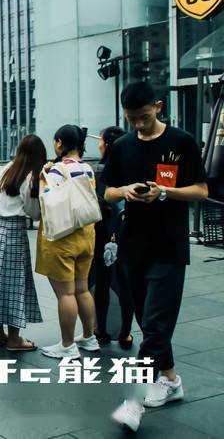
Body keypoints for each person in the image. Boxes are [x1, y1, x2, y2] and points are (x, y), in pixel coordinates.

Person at [106, 83, 207, 432]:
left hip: (169, 245)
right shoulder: (122, 146)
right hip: (134, 246)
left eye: (144, 117)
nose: (138, 125)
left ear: (159, 106)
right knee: (151, 324)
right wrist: (125, 191)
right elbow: (107, 191)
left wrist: (164, 192)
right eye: (132, 119)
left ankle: (134, 401)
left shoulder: (182, 142)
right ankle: (172, 380)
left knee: (156, 321)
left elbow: (201, 190)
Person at [35, 125, 99, 360]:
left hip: (63, 237)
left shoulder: (56, 170)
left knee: (66, 294)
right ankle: (89, 337)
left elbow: (46, 200)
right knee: (82, 289)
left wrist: (43, 175)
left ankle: (67, 344)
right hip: (86, 235)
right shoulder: (87, 168)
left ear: (59, 143)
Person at [0, 135, 46, 351]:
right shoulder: (30, 177)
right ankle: (15, 339)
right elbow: (34, 213)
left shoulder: (6, 169)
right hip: (13, 232)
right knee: (14, 284)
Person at [90, 126, 134, 349]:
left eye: (101, 140)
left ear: (107, 145)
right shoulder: (131, 166)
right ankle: (126, 333)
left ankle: (101, 330)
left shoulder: (100, 170)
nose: (98, 144)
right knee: (126, 283)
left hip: (102, 231)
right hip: (126, 230)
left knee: (102, 280)